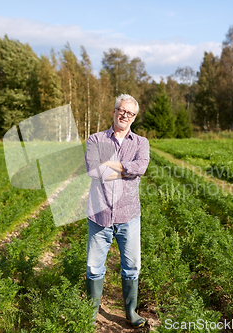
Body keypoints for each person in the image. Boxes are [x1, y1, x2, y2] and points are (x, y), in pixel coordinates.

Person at [84, 94, 150, 328]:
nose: (125, 115)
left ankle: (131, 312)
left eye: (130, 113)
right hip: (100, 214)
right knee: (94, 266)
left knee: (131, 266)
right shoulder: (95, 139)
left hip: (128, 215)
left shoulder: (141, 142)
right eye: (122, 110)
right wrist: (126, 170)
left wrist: (114, 165)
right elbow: (93, 170)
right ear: (114, 111)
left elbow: (140, 167)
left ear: (134, 117)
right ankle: (91, 314)